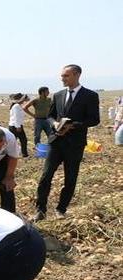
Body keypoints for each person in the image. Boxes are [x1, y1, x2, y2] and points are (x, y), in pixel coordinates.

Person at [33, 64, 100, 221]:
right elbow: (50, 116)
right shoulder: (58, 95)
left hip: (74, 144)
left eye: (66, 76)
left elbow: (94, 119)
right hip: (56, 142)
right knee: (46, 176)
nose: (62, 78)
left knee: (70, 178)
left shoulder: (90, 96)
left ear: (77, 75)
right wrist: (54, 124)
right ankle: (40, 210)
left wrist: (73, 126)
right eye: (62, 76)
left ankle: (61, 210)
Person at [8, 93, 31, 157]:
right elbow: (16, 117)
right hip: (15, 126)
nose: (24, 100)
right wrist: (18, 126)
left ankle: (21, 154)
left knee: (17, 140)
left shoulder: (17, 105)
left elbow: (28, 99)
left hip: (15, 125)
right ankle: (23, 154)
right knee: (22, 140)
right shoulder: (16, 106)